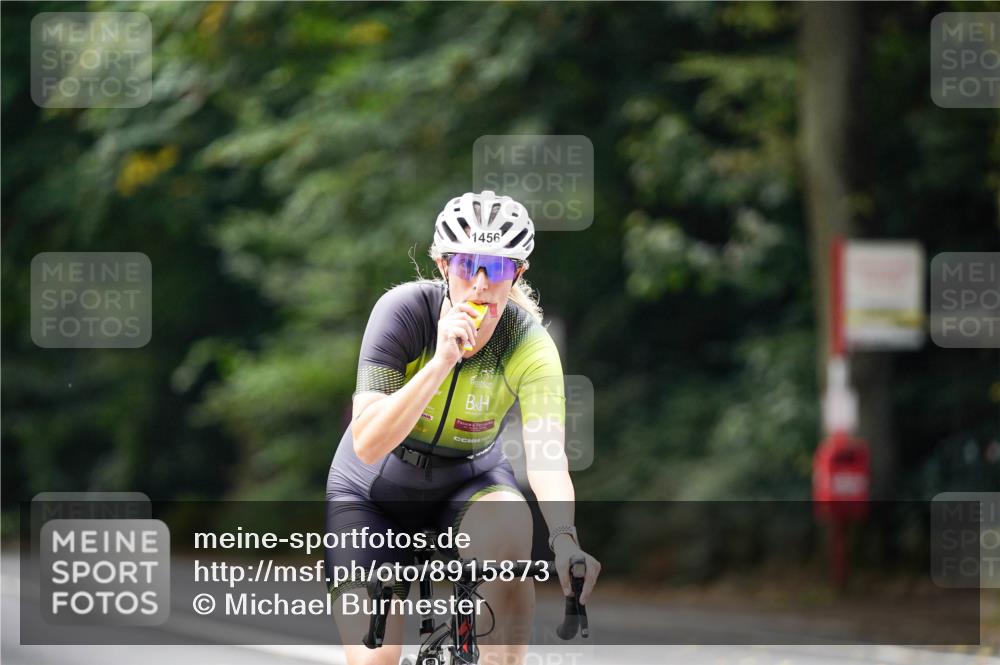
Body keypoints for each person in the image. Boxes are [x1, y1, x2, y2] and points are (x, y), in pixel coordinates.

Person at [325, 190, 600, 665]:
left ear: (517, 273)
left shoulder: (527, 343)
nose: (479, 284)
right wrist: (440, 362)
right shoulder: (403, 312)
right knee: (376, 660)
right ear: (441, 264)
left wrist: (563, 539)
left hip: (468, 481)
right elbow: (367, 443)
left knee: (513, 538)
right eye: (464, 265)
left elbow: (548, 459)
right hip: (371, 492)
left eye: (495, 268)